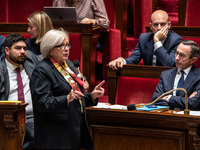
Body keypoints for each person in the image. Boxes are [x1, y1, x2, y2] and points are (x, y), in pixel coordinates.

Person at [30, 29, 105, 150]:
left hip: (74, 129)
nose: (66, 49)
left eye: (67, 45)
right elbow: (42, 103)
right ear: (50, 49)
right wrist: (66, 99)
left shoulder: (68, 65)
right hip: (56, 136)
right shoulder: (42, 71)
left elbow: (75, 96)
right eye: (61, 46)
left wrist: (92, 96)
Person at [0, 34, 40, 149]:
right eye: (18, 48)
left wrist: (80, 77)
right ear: (7, 50)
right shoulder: (1, 68)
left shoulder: (30, 60)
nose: (23, 52)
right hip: (9, 116)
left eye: (25, 48)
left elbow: (51, 61)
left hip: (32, 116)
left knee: (39, 137)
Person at [109, 10, 183, 70]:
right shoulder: (144, 38)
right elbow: (133, 59)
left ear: (169, 25)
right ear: (150, 26)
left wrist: (157, 42)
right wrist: (122, 60)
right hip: (148, 77)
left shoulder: (176, 40)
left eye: (163, 24)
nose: (159, 28)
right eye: (155, 24)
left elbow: (169, 64)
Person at [151, 40, 200, 110]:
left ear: (193, 60)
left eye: (182, 55)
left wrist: (168, 98)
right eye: (176, 53)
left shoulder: (198, 76)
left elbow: (194, 103)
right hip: (167, 117)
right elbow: (155, 100)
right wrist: (186, 101)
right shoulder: (166, 75)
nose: (177, 58)